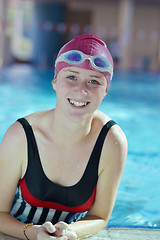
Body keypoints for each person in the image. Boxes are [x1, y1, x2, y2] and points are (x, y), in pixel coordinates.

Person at [0, 34, 127, 240]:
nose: (81, 90)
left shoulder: (111, 142)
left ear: (105, 91)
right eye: (71, 77)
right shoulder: (22, 135)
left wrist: (70, 231)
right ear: (54, 82)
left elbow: (100, 216)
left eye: (94, 81)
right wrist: (32, 233)